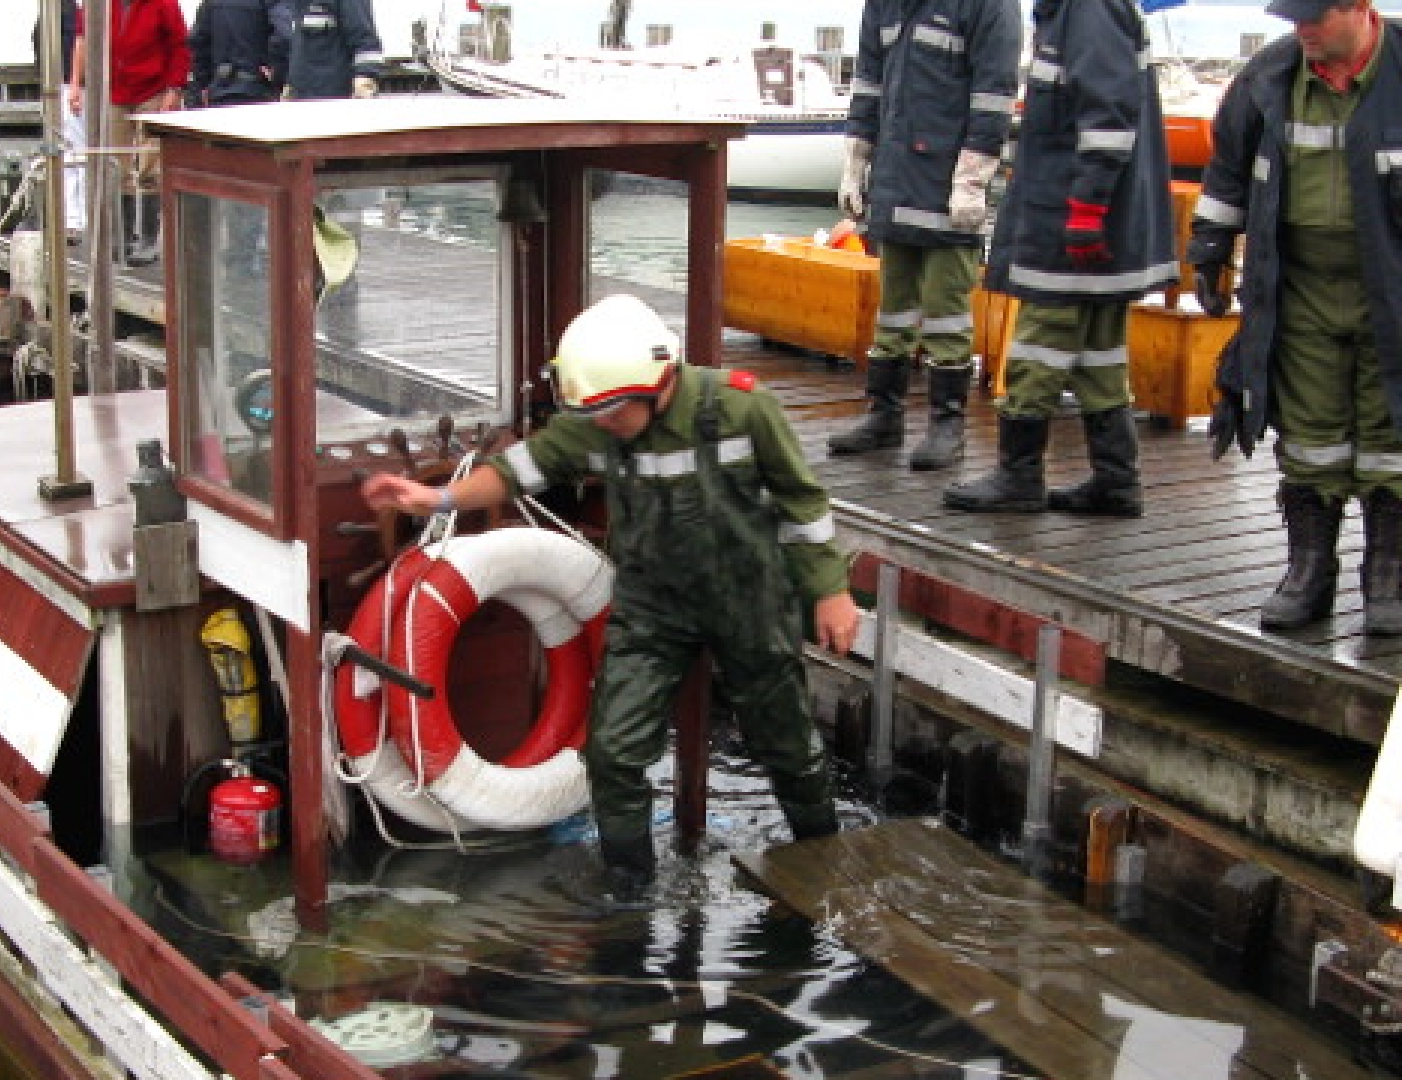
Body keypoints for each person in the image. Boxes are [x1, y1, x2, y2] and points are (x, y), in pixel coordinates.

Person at [360, 295, 860, 902]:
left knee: (787, 745)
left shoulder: (742, 407)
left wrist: (830, 592)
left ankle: (824, 863)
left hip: (749, 601)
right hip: (652, 607)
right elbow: (522, 468)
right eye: (591, 411)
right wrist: (433, 501)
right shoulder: (598, 417)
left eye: (614, 410)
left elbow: (802, 504)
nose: (601, 423)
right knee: (614, 754)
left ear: (663, 380)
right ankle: (630, 888)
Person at [1188, 0, 1402, 635]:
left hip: (1391, 296)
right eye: (1294, 18)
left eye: (1314, 17)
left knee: (1391, 434)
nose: (1302, 30)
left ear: (1359, 9)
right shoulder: (1266, 79)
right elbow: (1228, 171)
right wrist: (1210, 250)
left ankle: (1389, 573)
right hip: (1297, 290)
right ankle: (1309, 570)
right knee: (1310, 433)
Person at [943, 0, 1178, 516]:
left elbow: (1107, 109)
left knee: (1041, 342)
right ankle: (1116, 479)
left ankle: (1018, 474)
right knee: (1098, 347)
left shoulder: (1087, 8)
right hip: (1095, 216)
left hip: (1073, 216)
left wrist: (1088, 205)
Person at [828, 0, 1021, 472]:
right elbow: (868, 84)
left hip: (947, 184)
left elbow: (994, 97)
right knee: (891, 310)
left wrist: (972, 179)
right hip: (895, 181)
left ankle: (946, 426)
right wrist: (856, 159)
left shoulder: (990, 8)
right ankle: (883, 415)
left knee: (946, 312)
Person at [70, 0, 190, 266]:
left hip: (153, 90)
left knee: (150, 165)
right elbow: (83, 37)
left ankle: (148, 241)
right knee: (116, 165)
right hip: (115, 90)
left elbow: (179, 44)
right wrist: (78, 84)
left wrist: (174, 88)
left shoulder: (163, 2)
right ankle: (122, 237)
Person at [35, 0, 86, 237]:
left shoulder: (63, 13)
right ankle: (74, 217)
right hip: (64, 86)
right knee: (71, 152)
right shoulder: (60, 12)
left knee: (75, 152)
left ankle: (75, 217)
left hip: (69, 87)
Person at [190, 0, 293, 106]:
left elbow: (199, 42)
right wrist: (276, 74)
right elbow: (283, 37)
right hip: (258, 89)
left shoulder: (210, 2)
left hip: (220, 89)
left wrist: (203, 83)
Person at [283, 0, 383, 100]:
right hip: (303, 97)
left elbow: (365, 41)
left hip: (337, 98)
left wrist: (365, 76)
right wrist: (290, 84)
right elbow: (300, 48)